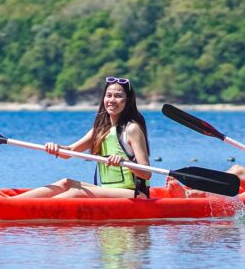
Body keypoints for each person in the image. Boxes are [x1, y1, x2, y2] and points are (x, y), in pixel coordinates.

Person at [13, 77, 152, 199]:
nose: (112, 100)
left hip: (134, 194)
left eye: (118, 96)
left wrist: (125, 162)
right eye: (108, 95)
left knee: (77, 192)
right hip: (109, 191)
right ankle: (11, 203)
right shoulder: (100, 129)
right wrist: (55, 148)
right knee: (66, 182)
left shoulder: (132, 129)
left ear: (127, 100)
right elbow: (70, 151)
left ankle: (32, 209)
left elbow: (146, 173)